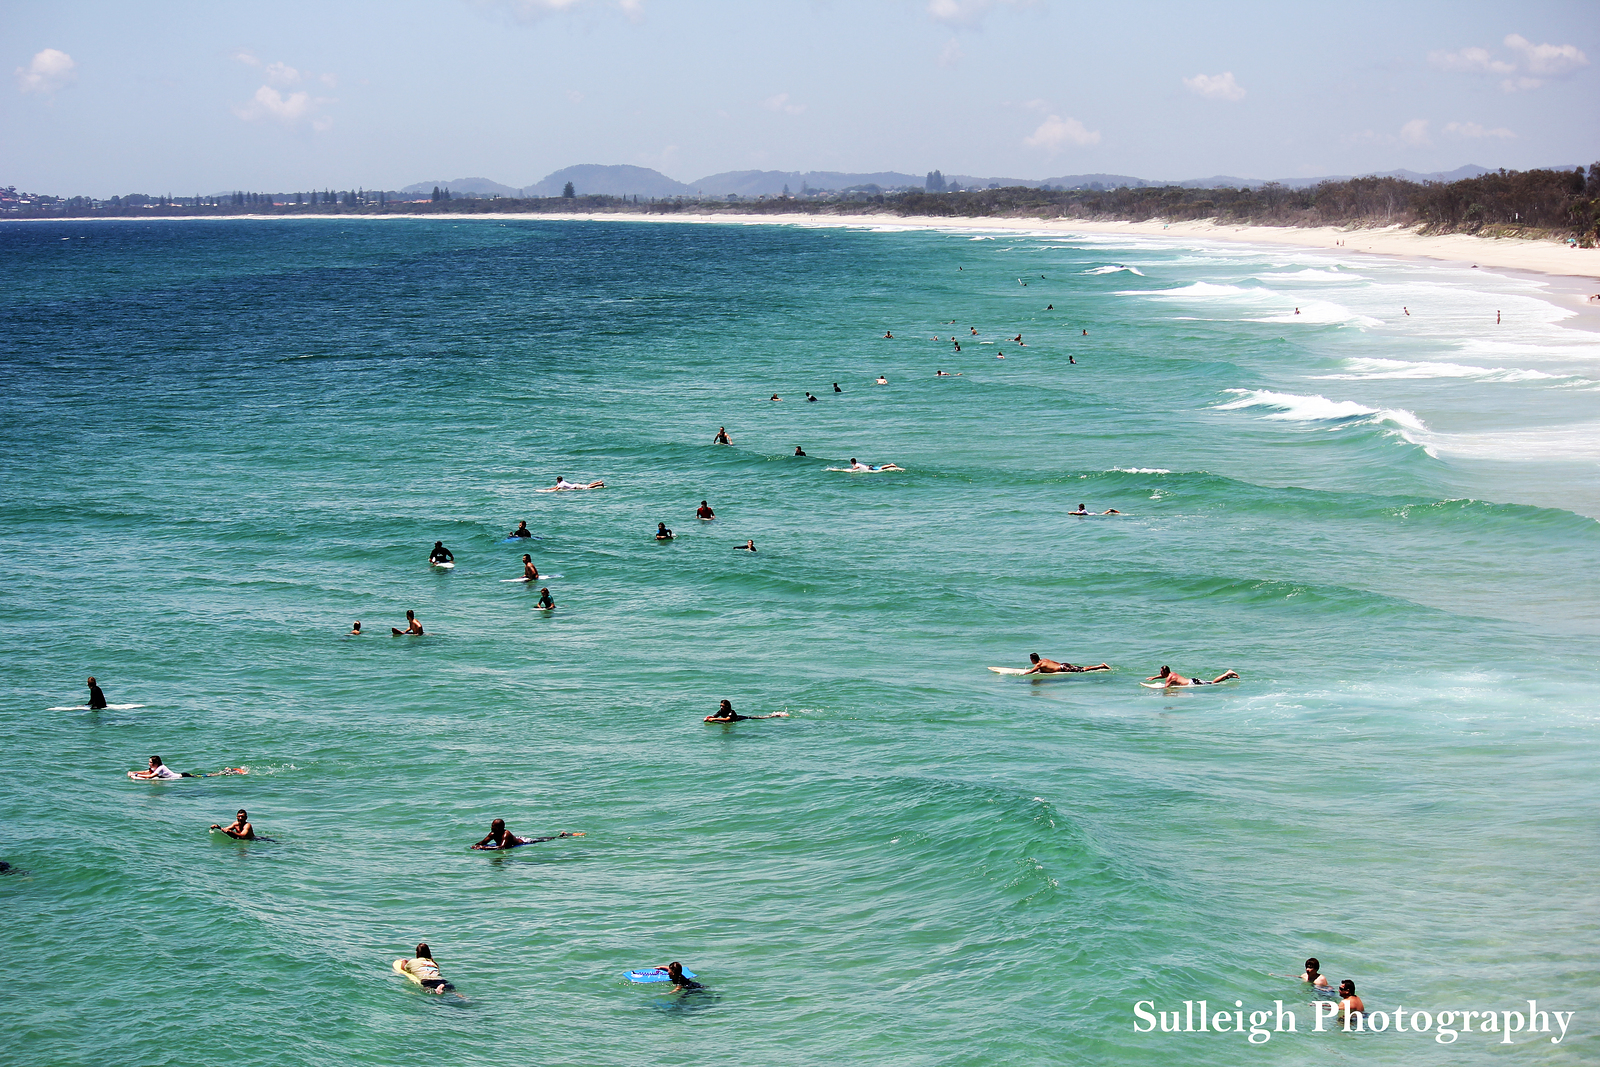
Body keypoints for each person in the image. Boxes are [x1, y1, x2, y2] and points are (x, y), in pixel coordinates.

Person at [471, 818, 583, 850]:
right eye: (492, 825)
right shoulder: (493, 834)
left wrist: (484, 848)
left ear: (500, 827)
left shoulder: (506, 834)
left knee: (542, 839)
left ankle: (563, 835)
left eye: (494, 826)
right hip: (516, 840)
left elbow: (502, 847)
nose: (491, 827)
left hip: (524, 842)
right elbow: (483, 842)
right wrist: (477, 845)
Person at [1146, 666, 1240, 687]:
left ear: (1165, 672)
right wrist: (1154, 678)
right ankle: (1228, 676)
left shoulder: (1169, 677)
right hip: (1193, 681)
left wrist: (1155, 688)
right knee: (1211, 682)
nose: (1160, 674)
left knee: (1213, 683)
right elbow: (1163, 676)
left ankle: (1227, 673)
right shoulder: (1172, 673)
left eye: (1161, 672)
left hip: (1193, 683)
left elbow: (1166, 687)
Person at [1023, 653, 1110, 674]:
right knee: (1083, 668)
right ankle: (1101, 666)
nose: (1031, 661)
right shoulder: (1044, 660)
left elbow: (1031, 671)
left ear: (1033, 659)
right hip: (1063, 665)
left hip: (1063, 668)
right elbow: (1053, 664)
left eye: (1031, 659)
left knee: (1084, 669)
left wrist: (1022, 674)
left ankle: (1101, 666)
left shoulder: (1039, 665)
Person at [704, 699, 786, 722]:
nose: (721, 707)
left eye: (723, 706)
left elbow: (727, 719)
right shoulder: (721, 711)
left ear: (727, 706)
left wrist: (714, 719)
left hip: (741, 718)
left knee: (760, 718)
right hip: (735, 718)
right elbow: (713, 716)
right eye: (720, 706)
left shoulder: (731, 712)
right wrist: (708, 718)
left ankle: (776, 715)